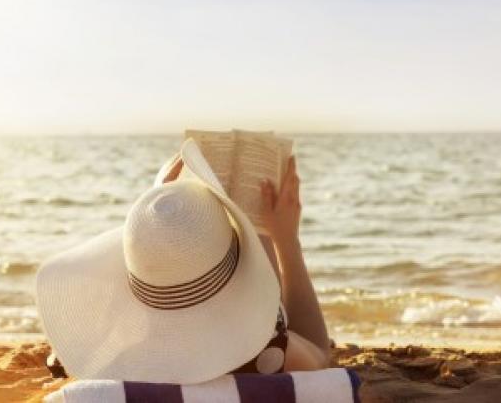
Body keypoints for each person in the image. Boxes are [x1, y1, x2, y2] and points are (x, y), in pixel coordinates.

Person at [36, 138, 330, 385]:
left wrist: (161, 205)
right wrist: (286, 240)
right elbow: (320, 355)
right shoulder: (269, 351)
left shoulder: (111, 360)